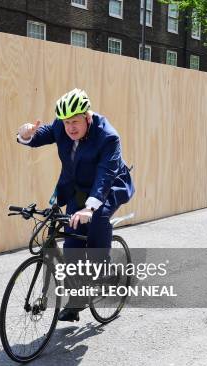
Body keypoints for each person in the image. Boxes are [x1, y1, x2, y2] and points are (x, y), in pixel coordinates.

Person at [17, 88, 135, 322]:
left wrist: (89, 208)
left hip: (110, 185)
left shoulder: (108, 136)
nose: (70, 127)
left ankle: (106, 273)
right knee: (71, 242)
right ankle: (77, 300)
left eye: (75, 121)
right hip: (77, 188)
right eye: (66, 122)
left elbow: (105, 175)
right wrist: (27, 133)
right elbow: (41, 135)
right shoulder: (62, 127)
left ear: (87, 117)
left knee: (98, 217)